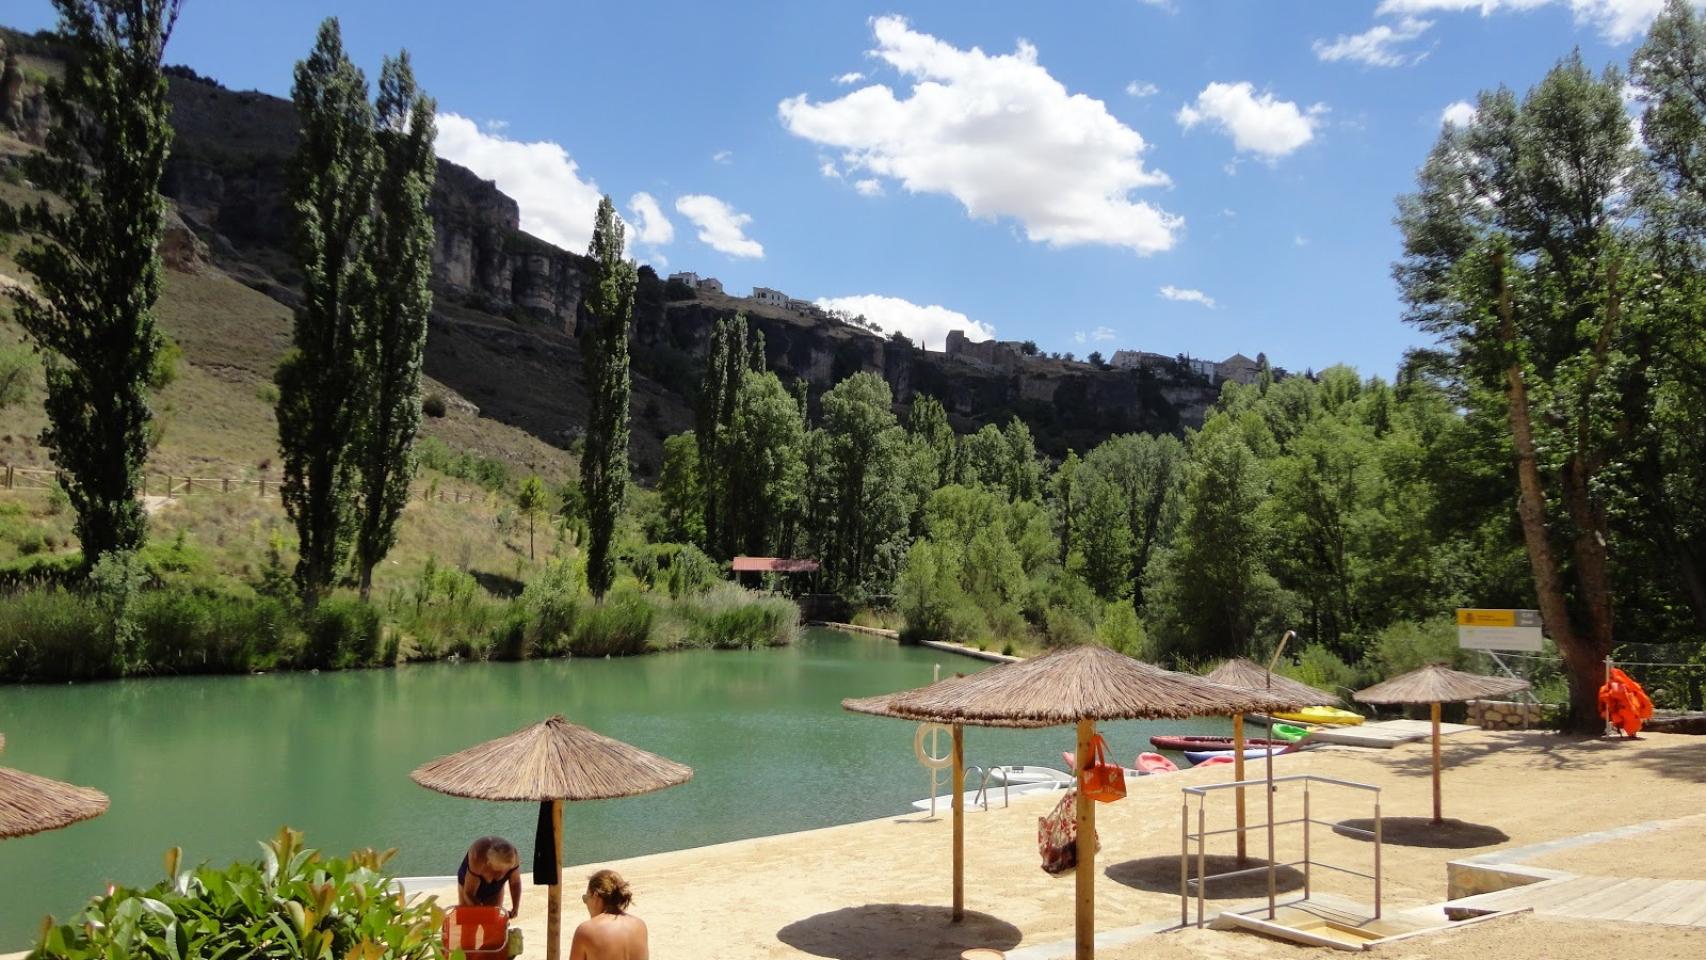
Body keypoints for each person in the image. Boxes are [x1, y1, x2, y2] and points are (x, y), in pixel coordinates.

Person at [570, 869, 647, 960]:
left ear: (595, 895)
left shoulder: (586, 930)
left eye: (586, 898)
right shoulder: (640, 926)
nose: (586, 903)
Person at [457, 836, 522, 918]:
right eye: (498, 870)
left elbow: (515, 883)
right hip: (470, 881)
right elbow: (468, 893)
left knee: (493, 921)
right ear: (488, 863)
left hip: (495, 889)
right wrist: (483, 913)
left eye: (506, 871)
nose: (500, 875)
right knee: (469, 920)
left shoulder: (514, 857)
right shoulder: (477, 857)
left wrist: (515, 908)